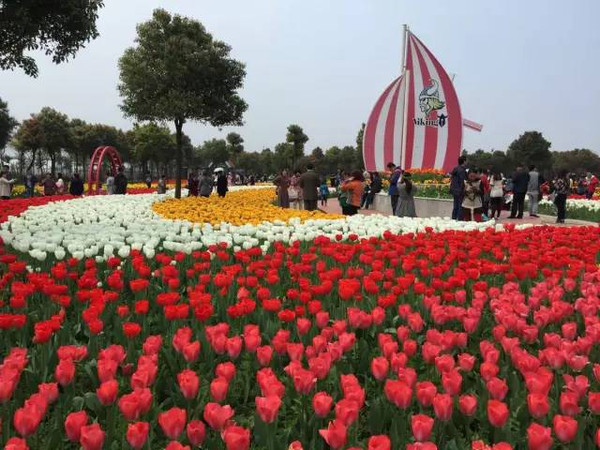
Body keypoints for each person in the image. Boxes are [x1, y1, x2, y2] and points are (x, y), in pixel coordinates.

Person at [450, 156, 468, 220]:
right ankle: (459, 220)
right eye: (466, 160)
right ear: (464, 161)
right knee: (460, 206)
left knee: (455, 206)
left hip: (454, 190)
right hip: (460, 191)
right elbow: (463, 181)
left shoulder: (455, 169)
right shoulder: (462, 170)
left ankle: (453, 219)